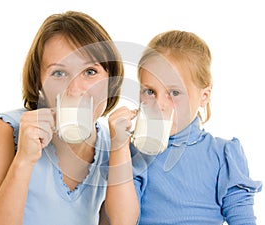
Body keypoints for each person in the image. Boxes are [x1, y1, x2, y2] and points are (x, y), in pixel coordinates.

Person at [0, 11, 124, 225]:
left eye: (90, 72)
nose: (75, 89)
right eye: (59, 73)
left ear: (111, 80)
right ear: (39, 84)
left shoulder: (111, 148)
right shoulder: (3, 132)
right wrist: (24, 160)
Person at [106, 30, 262, 224]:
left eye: (174, 92)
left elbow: (243, 219)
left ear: (204, 96)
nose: (159, 104)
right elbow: (121, 221)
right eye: (150, 91)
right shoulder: (134, 154)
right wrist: (119, 147)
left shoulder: (223, 154)